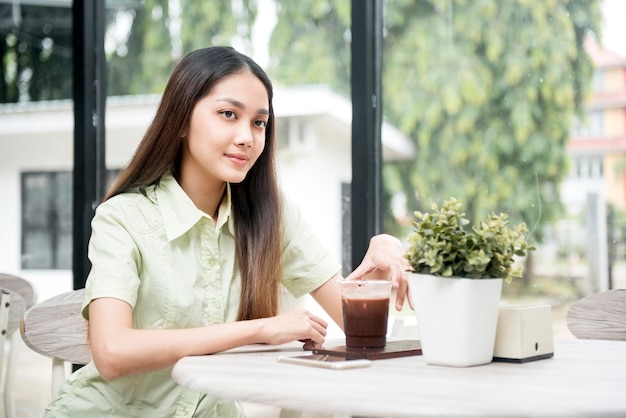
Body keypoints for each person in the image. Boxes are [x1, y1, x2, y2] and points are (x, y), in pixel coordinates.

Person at [44, 46, 410, 417]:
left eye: (259, 122)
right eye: (228, 114)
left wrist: (380, 255)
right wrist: (257, 330)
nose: (247, 137)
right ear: (182, 120)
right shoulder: (123, 217)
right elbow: (112, 353)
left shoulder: (270, 214)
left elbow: (356, 327)